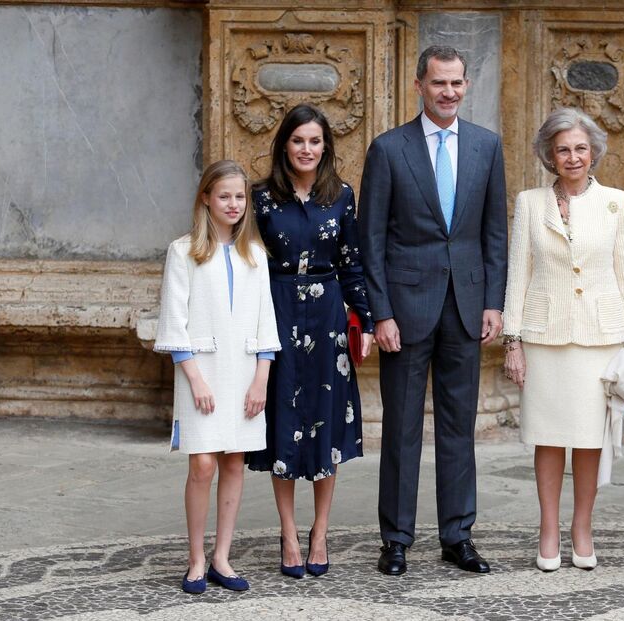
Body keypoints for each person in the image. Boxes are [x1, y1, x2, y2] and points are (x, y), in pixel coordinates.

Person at [358, 45, 508, 576]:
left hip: (466, 306)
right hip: (404, 310)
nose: (448, 92)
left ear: (466, 86)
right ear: (419, 84)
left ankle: (457, 536)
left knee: (458, 426)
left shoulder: (487, 146)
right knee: (400, 427)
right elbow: (371, 240)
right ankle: (396, 539)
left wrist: (493, 302)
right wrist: (380, 313)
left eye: (457, 83)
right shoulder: (388, 149)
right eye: (439, 82)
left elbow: (494, 233)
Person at [502, 107, 624, 572]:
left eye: (581, 148)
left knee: (589, 440)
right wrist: (512, 341)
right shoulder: (530, 203)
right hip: (544, 336)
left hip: (600, 338)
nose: (573, 157)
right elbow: (518, 274)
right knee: (548, 437)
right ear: (550, 154)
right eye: (563, 149)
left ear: (594, 151)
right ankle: (548, 529)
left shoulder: (617, 203)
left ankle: (582, 527)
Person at [245, 103, 374, 578]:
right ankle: (288, 532)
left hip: (327, 319)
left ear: (326, 147)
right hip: (276, 311)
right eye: (298, 140)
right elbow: (247, 262)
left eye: (315, 141)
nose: (306, 149)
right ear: (284, 145)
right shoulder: (261, 198)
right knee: (282, 422)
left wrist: (367, 319)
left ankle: (320, 531)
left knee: (326, 422)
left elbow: (352, 262)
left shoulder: (341, 195)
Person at [154, 159, 281, 594]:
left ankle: (221, 557)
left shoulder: (255, 254)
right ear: (206, 198)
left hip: (245, 373)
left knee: (233, 461)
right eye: (224, 196)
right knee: (203, 464)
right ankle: (195, 557)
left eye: (240, 197)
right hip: (201, 372)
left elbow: (266, 321)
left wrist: (261, 379)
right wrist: (196, 380)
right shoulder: (184, 251)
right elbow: (174, 322)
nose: (233, 204)